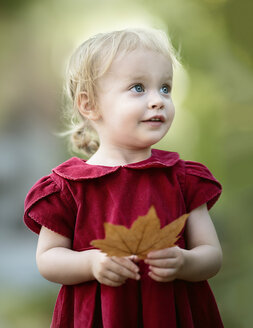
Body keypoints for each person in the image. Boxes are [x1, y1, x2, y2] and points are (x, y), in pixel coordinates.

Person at [24, 27, 224, 327]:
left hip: (171, 314)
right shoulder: (70, 187)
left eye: (165, 88)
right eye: (139, 88)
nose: (158, 100)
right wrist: (91, 263)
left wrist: (185, 262)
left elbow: (211, 255)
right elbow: (48, 259)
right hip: (101, 317)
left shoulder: (182, 179)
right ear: (89, 105)